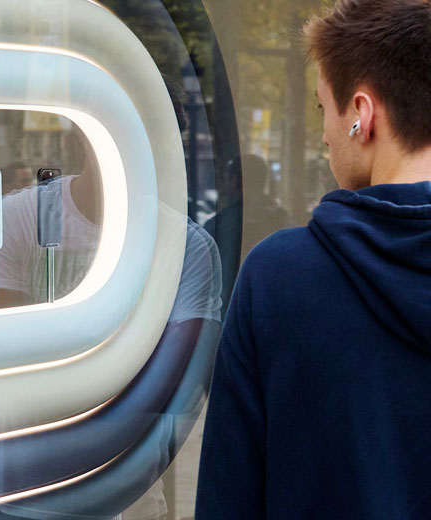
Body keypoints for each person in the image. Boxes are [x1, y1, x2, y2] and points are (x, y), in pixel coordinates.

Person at [195, 1, 431, 518]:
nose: (324, 133)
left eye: (324, 108)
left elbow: (228, 497)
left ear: (362, 115)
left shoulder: (278, 280)